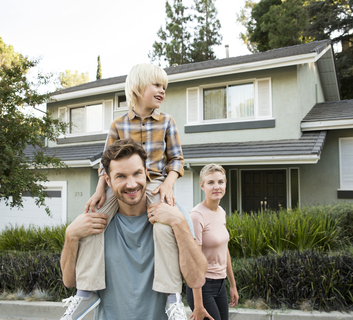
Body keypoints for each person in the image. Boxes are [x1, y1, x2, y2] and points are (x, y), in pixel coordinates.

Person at [59, 63, 187, 320]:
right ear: (138, 88)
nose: (162, 90)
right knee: (94, 221)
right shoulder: (118, 124)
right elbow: (106, 163)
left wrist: (168, 184)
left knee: (164, 227)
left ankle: (173, 299)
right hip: (118, 185)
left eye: (164, 87)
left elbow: (177, 160)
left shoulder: (167, 122)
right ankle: (86, 292)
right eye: (157, 85)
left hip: (154, 185)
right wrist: (99, 191)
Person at [61, 139, 207, 320]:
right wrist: (70, 236)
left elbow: (197, 279)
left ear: (146, 173)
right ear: (107, 179)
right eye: (121, 176)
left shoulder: (175, 215)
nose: (131, 184)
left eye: (137, 173)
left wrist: (179, 223)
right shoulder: (93, 221)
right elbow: (69, 281)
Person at [186, 164, 239, 320]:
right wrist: (198, 304)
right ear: (202, 186)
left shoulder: (221, 212)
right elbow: (193, 261)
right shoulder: (196, 216)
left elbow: (224, 250)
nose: (217, 187)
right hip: (202, 286)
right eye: (210, 183)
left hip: (220, 284)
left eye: (220, 182)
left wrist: (233, 285)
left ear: (225, 184)